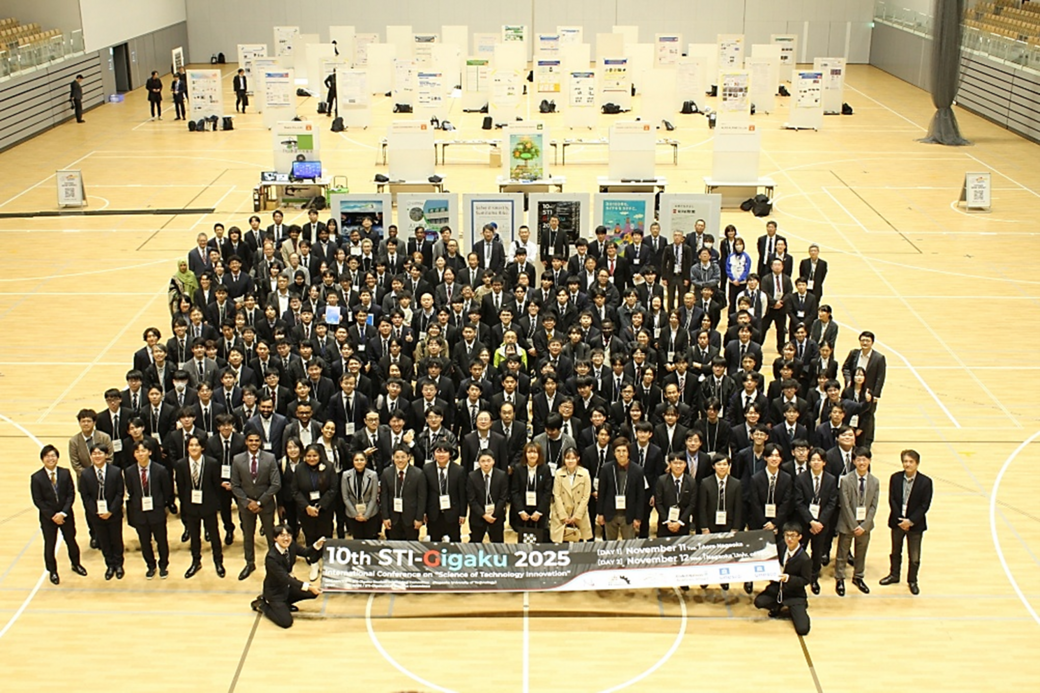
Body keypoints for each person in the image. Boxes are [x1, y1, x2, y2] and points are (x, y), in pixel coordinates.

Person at [30, 445, 87, 585]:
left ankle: (76, 564)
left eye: (53, 456)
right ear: (42, 459)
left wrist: (63, 513)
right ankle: (53, 571)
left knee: (71, 541)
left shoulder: (65, 473)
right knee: (50, 544)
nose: (50, 459)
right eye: (47, 456)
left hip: (66, 515)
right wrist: (53, 516)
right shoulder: (36, 477)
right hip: (48, 518)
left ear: (57, 457)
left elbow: (71, 494)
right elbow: (38, 500)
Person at [879, 449, 933, 595]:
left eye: (911, 462)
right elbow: (892, 499)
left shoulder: (925, 482)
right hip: (897, 522)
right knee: (895, 551)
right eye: (905, 461)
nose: (907, 464)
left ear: (917, 463)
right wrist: (900, 520)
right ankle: (894, 575)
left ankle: (912, 580)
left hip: (915, 525)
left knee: (914, 556)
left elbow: (924, 505)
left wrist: (910, 521)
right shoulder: (895, 478)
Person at [251, 525, 324, 629]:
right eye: (282, 535)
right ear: (275, 538)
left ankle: (285, 604)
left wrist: (317, 545)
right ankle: (262, 605)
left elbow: (305, 552)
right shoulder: (271, 558)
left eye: (288, 535)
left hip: (288, 587)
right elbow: (285, 578)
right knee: (286, 622)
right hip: (276, 593)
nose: (286, 538)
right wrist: (309, 586)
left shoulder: (291, 545)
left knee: (312, 593)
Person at [232, 430, 282, 580]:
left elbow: (276, 484)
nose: (253, 443)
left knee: (271, 536)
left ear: (260, 442)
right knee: (248, 536)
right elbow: (235, 485)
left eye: (256, 440)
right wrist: (247, 502)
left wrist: (260, 502)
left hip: (265, 505)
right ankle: (250, 563)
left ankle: (274, 564)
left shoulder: (270, 458)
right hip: (246, 506)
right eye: (251, 440)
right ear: (246, 442)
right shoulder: (237, 459)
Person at [176, 435, 226, 579]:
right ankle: (196, 561)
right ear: (187, 448)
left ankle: (218, 561)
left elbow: (216, 486)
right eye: (191, 445)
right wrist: (185, 505)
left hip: (208, 505)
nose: (194, 448)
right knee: (194, 536)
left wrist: (215, 504)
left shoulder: (212, 463)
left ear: (202, 447)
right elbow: (181, 487)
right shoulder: (181, 464)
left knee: (214, 535)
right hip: (191, 506)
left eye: (197, 445)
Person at [835, 446, 880, 596]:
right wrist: (854, 525)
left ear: (869, 461)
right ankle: (840, 578)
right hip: (848, 523)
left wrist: (864, 525)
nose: (862, 462)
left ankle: (858, 577)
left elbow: (874, 506)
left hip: (865, 525)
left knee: (861, 553)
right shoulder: (846, 480)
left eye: (864, 459)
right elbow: (845, 504)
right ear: (854, 461)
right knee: (842, 552)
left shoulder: (875, 481)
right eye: (859, 459)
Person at [124, 441, 173, 579]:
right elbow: (131, 491)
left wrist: (161, 504)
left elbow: (167, 491)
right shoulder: (129, 472)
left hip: (156, 511)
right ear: (134, 454)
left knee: (161, 540)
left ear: (150, 452)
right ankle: (151, 566)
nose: (141, 454)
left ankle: (163, 565)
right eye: (137, 451)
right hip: (139, 512)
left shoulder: (160, 470)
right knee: (145, 542)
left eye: (143, 451)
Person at [754, 522, 812, 636]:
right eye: (787, 535)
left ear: (799, 537)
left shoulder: (805, 559)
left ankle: (793, 608)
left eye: (793, 536)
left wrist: (789, 578)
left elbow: (805, 580)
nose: (789, 539)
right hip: (777, 589)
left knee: (803, 629)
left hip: (794, 594)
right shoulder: (781, 546)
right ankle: (778, 606)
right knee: (759, 602)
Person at [794, 447, 838, 595]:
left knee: (817, 552)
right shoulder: (801, 478)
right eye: (813, 460)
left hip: (822, 525)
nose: (816, 463)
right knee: (800, 550)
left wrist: (820, 522)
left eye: (819, 460)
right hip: (804, 523)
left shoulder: (831, 480)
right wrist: (811, 521)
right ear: (809, 462)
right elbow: (799, 502)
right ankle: (798, 577)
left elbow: (832, 503)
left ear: (824, 462)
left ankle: (814, 578)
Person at [78, 443, 124, 580]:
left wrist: (111, 511)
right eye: (94, 454)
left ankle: (119, 565)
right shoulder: (85, 474)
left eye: (100, 453)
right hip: (96, 515)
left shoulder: (115, 472)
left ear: (106, 455)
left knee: (116, 540)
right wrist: (95, 511)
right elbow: (85, 496)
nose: (97, 456)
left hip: (113, 514)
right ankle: (109, 565)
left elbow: (120, 493)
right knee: (104, 541)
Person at [292, 444, 337, 580]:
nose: (312, 458)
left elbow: (333, 489)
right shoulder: (299, 469)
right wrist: (307, 507)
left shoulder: (328, 467)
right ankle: (314, 563)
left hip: (324, 509)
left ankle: (327, 563)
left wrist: (320, 506)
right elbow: (295, 491)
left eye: (315, 456)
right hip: (306, 510)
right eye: (309, 456)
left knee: (325, 534)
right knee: (310, 535)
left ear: (320, 456)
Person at [595, 438, 644, 540]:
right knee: (610, 544)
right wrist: (600, 513)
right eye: (618, 451)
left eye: (624, 451)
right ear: (614, 453)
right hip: (610, 513)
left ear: (628, 453)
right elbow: (602, 492)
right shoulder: (606, 469)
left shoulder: (637, 470)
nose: (621, 454)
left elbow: (640, 496)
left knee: (629, 544)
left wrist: (638, 517)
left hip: (629, 514)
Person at [422, 441, 467, 542]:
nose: (441, 455)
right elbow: (424, 493)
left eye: (444, 452)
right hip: (433, 514)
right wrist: (424, 512)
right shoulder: (427, 469)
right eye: (438, 451)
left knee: (455, 541)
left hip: (453, 513)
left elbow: (462, 494)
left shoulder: (459, 470)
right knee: (434, 542)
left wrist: (462, 514)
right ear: (434, 454)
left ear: (450, 454)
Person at [380, 445, 426, 540]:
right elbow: (384, 496)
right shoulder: (386, 473)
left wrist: (419, 518)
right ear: (392, 457)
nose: (400, 460)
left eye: (403, 457)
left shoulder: (418, 474)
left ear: (408, 457)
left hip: (411, 519)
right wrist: (385, 517)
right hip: (392, 518)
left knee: (411, 545)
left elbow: (422, 498)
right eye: (397, 457)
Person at [510, 442, 553, 542]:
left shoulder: (545, 469)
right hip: (523, 511)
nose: (532, 455)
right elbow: (514, 491)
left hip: (539, 511)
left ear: (539, 454)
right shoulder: (518, 468)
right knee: (524, 540)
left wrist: (539, 512)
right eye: (529, 452)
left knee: (540, 539)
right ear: (525, 454)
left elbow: (547, 492)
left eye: (535, 452)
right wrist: (521, 511)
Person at [550, 447, 592, 542]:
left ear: (578, 459)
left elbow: (586, 496)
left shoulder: (585, 473)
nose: (570, 461)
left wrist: (577, 515)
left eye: (573, 458)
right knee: (560, 542)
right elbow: (556, 495)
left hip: (579, 514)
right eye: (568, 458)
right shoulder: (558, 473)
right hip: (562, 514)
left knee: (580, 543)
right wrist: (563, 516)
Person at [467, 450, 509, 542]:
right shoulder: (472, 476)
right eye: (483, 461)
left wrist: (494, 514)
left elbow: (503, 497)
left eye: (488, 460)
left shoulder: (501, 475)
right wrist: (484, 515)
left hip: (496, 518)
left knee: (497, 545)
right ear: (478, 463)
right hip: (478, 518)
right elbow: (472, 500)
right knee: (475, 544)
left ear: (493, 461)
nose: (486, 464)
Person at [342, 450, 381, 539]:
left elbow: (373, 498)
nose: (359, 462)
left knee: (370, 540)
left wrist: (366, 515)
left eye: (361, 460)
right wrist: (355, 514)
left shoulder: (373, 475)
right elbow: (345, 497)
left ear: (366, 461)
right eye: (356, 460)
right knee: (357, 540)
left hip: (370, 513)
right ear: (353, 461)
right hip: (352, 513)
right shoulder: (345, 475)